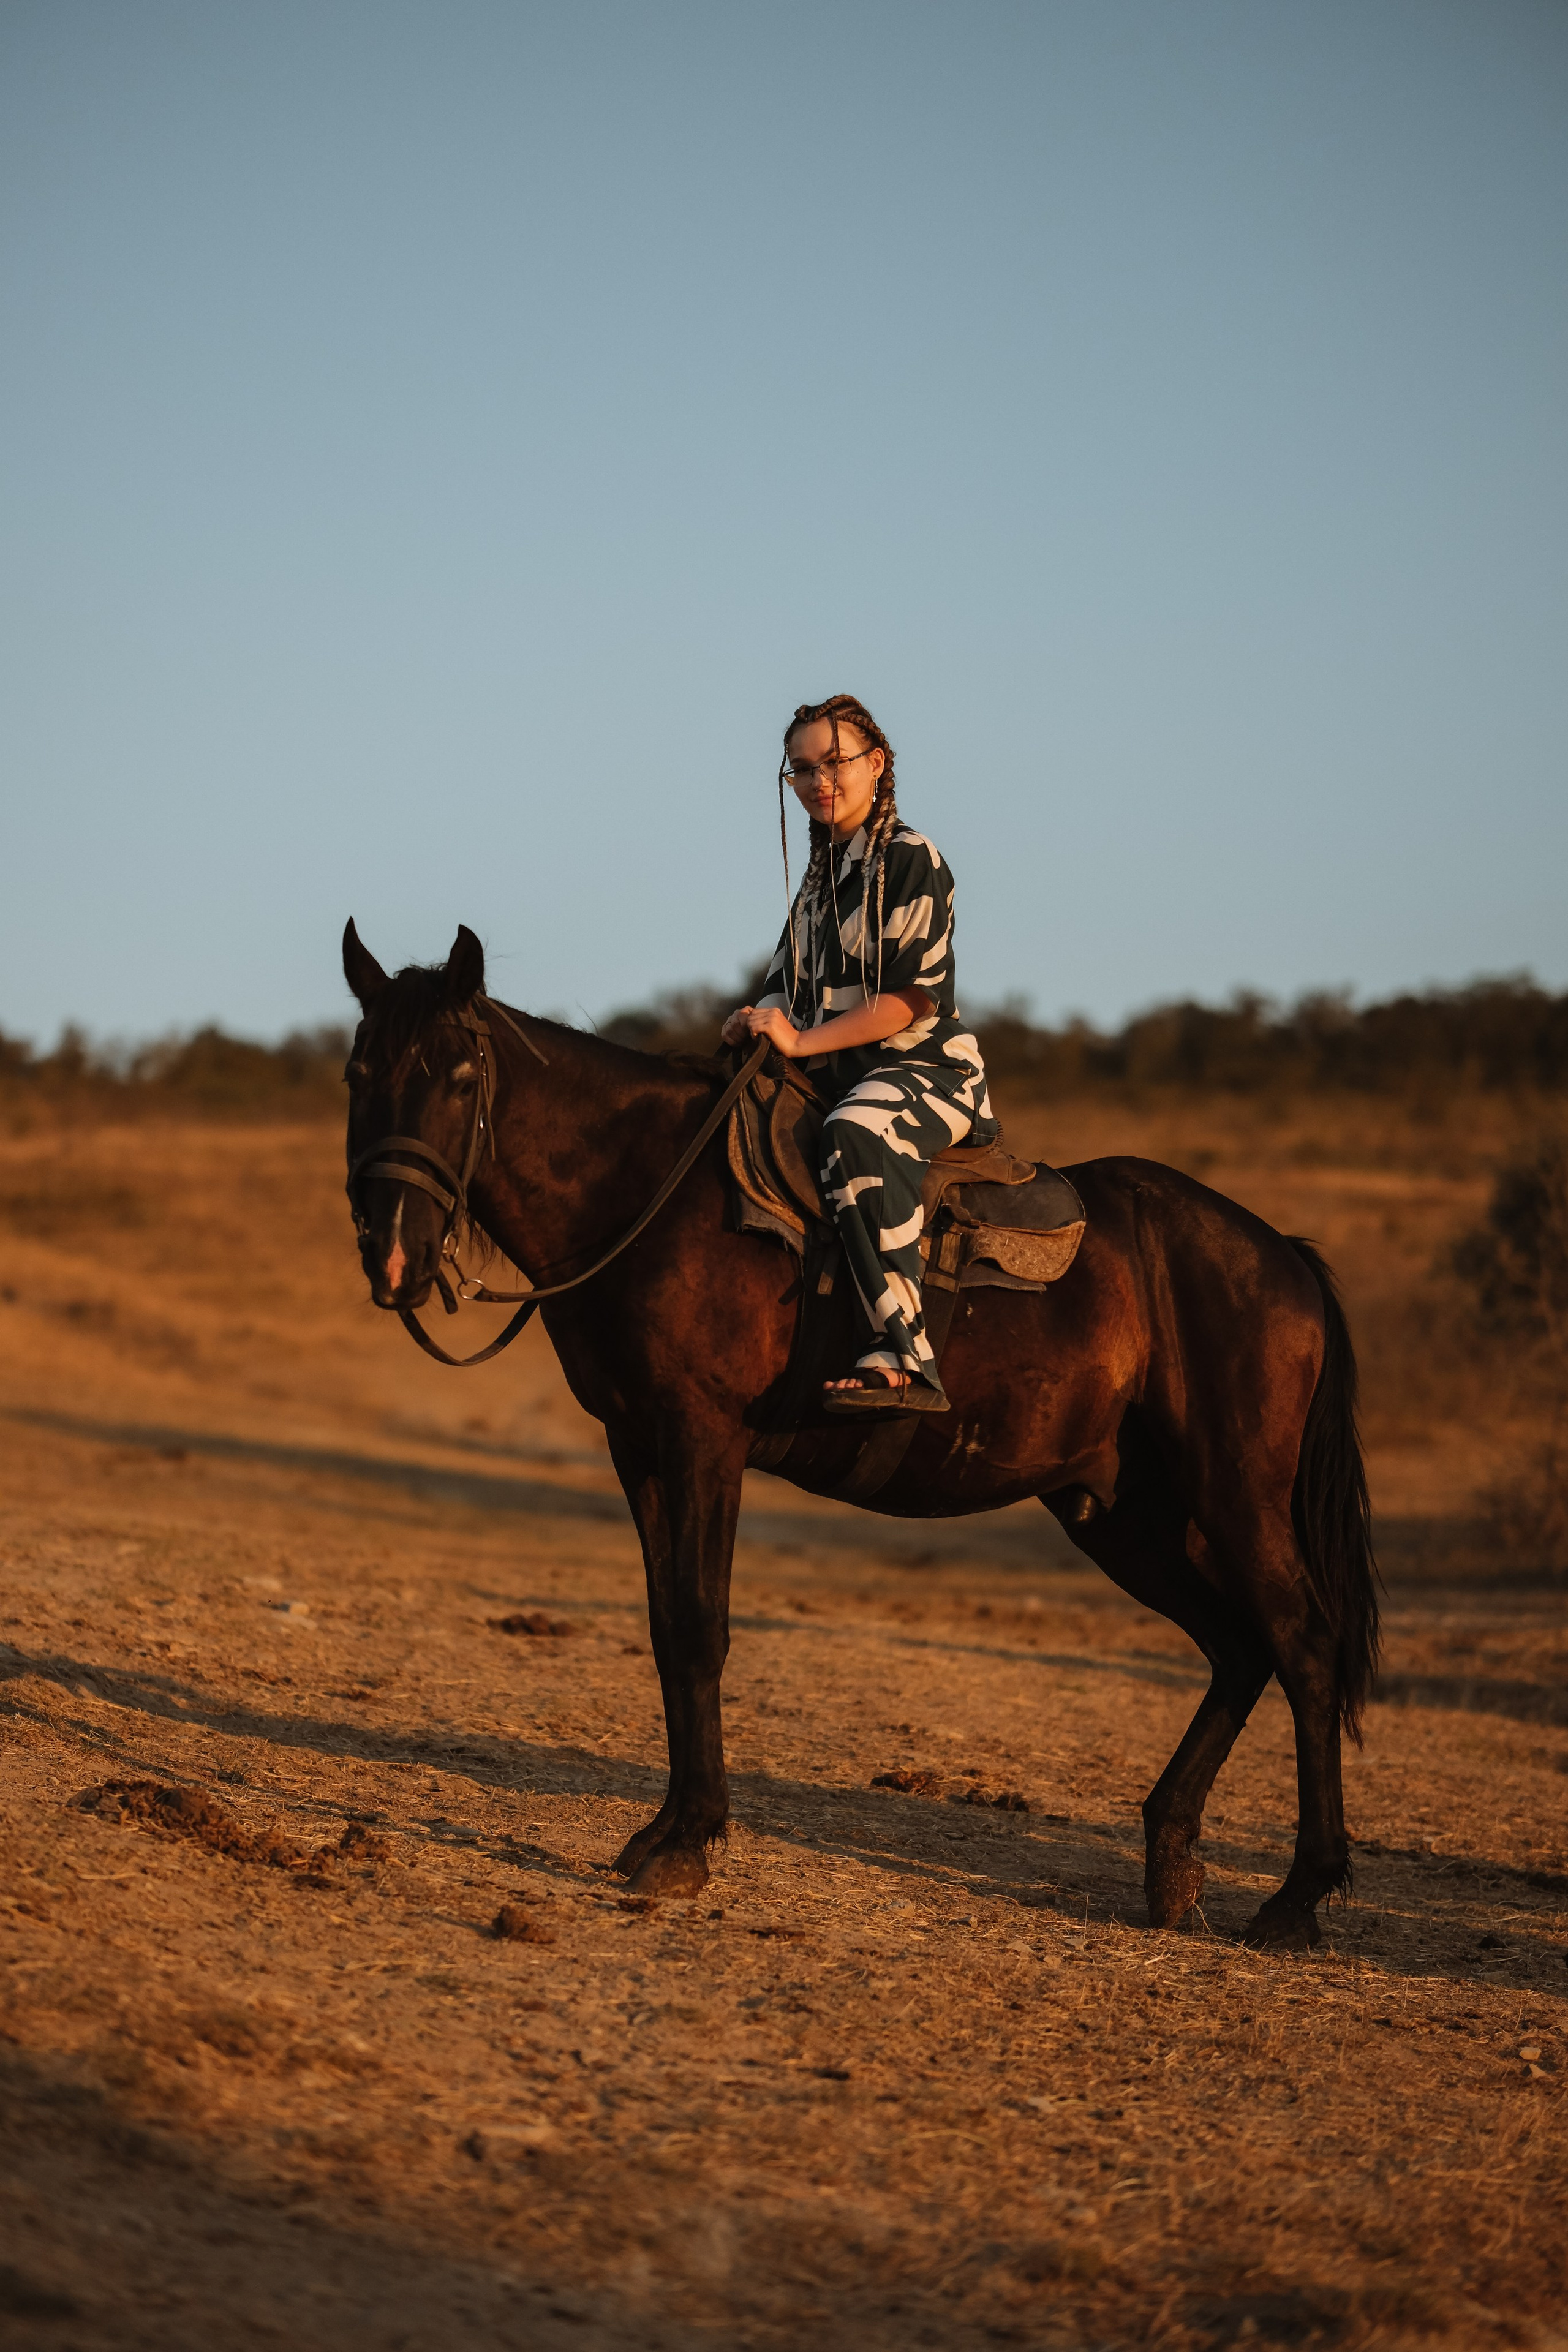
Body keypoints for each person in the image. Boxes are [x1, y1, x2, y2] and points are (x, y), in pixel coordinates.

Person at [722, 693, 997, 1414]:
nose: (818, 781)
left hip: (925, 1069)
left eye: (834, 762)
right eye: (801, 769)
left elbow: (912, 999)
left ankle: (904, 1356)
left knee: (854, 1133)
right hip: (834, 1075)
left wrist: (800, 1040)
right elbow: (782, 987)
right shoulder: (816, 884)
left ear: (875, 764)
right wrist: (753, 1020)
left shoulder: (910, 859)